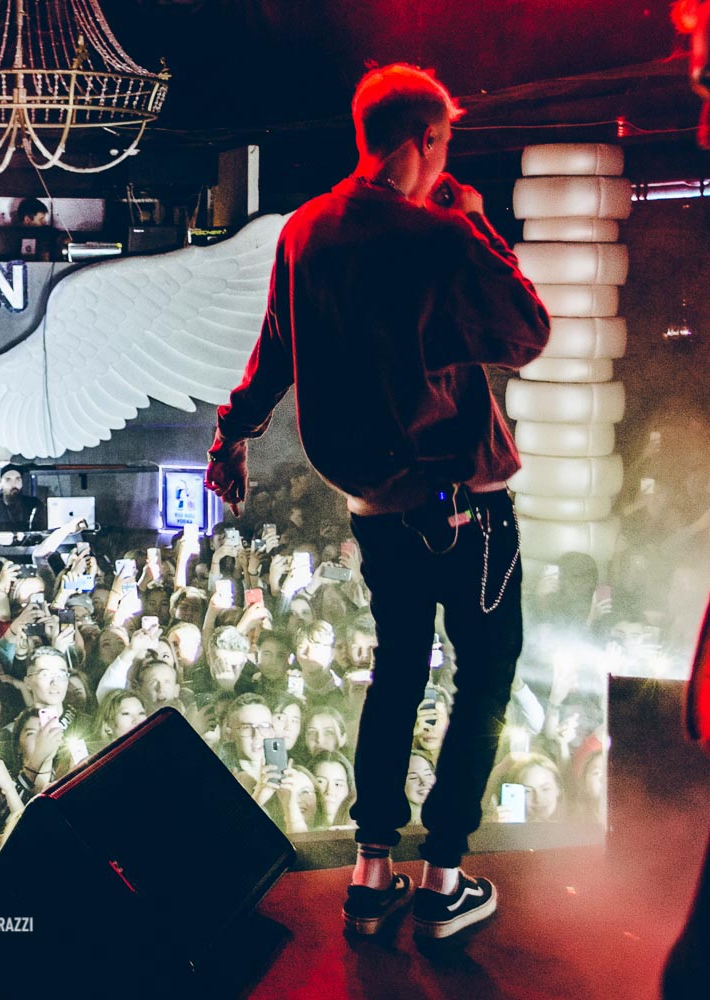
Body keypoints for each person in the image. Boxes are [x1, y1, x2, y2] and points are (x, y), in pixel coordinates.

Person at [204, 63, 550, 939]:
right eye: (445, 144)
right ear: (426, 140)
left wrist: (231, 438)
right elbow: (527, 331)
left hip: (377, 510)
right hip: (467, 505)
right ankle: (443, 879)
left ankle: (369, 872)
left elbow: (274, 351)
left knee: (398, 671)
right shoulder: (435, 233)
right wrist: (473, 223)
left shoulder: (305, 230)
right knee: (485, 676)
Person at [0, 464, 44, 533]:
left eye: (18, 479)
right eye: (8, 480)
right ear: (0, 485)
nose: (14, 484)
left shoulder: (34, 505)